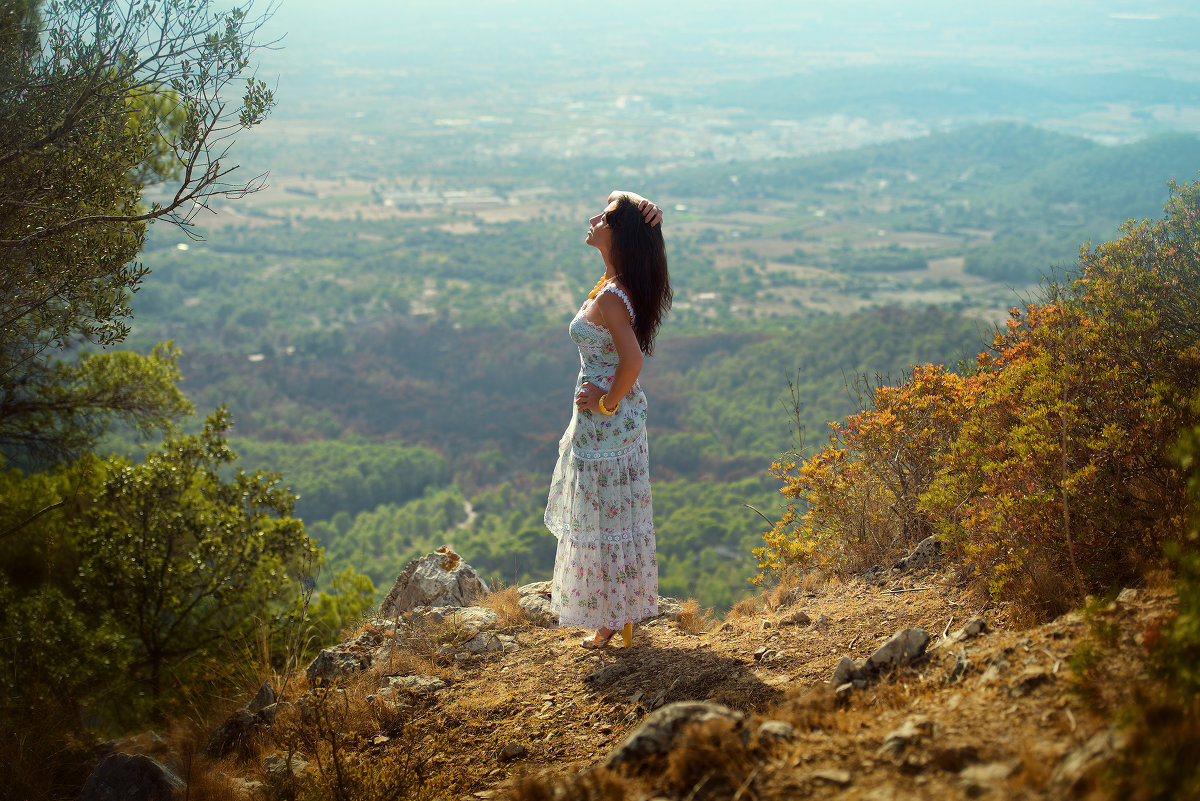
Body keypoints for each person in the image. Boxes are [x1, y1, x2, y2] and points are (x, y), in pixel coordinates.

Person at [544, 190, 671, 649]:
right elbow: (621, 196)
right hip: (606, 428)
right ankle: (616, 614)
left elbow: (632, 362)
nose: (594, 218)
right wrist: (645, 205)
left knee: (606, 520)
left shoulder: (614, 295)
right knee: (610, 517)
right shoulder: (613, 281)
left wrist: (604, 402)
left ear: (620, 234)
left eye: (605, 217)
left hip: (608, 429)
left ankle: (613, 618)